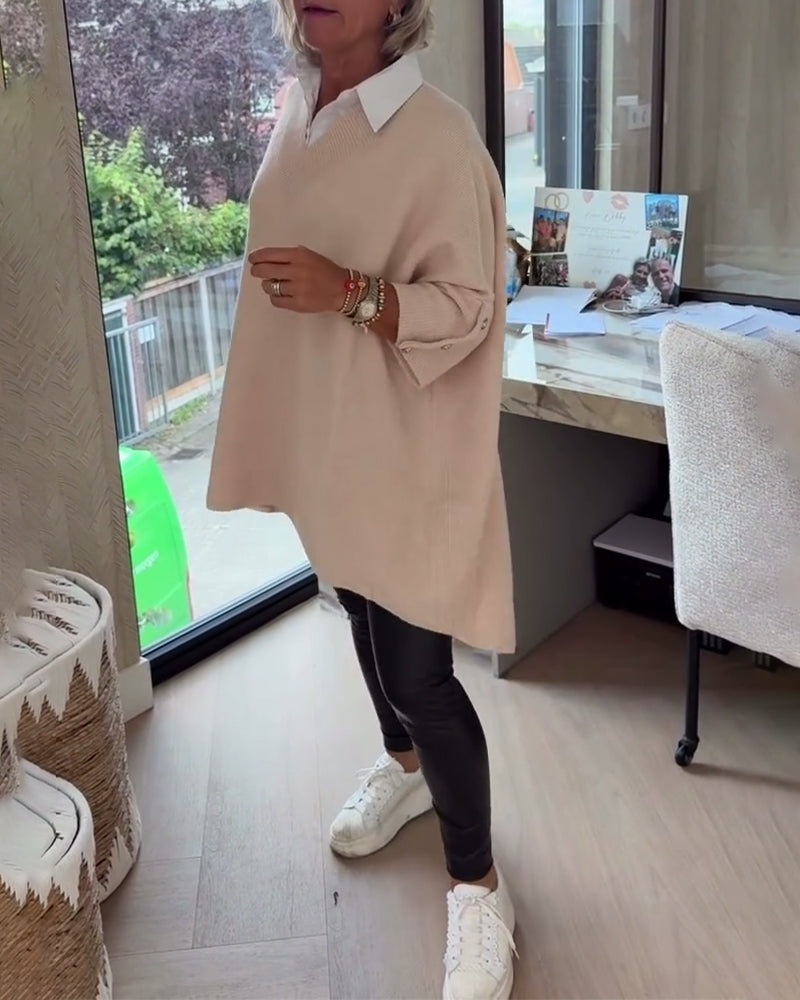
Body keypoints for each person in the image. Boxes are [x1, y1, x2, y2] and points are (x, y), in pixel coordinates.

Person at [206, 2, 517, 998]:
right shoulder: (296, 111)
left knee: (421, 671)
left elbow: (468, 308)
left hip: (409, 450)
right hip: (332, 440)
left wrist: (350, 289)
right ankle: (405, 768)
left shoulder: (439, 139)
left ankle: (478, 886)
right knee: (353, 604)